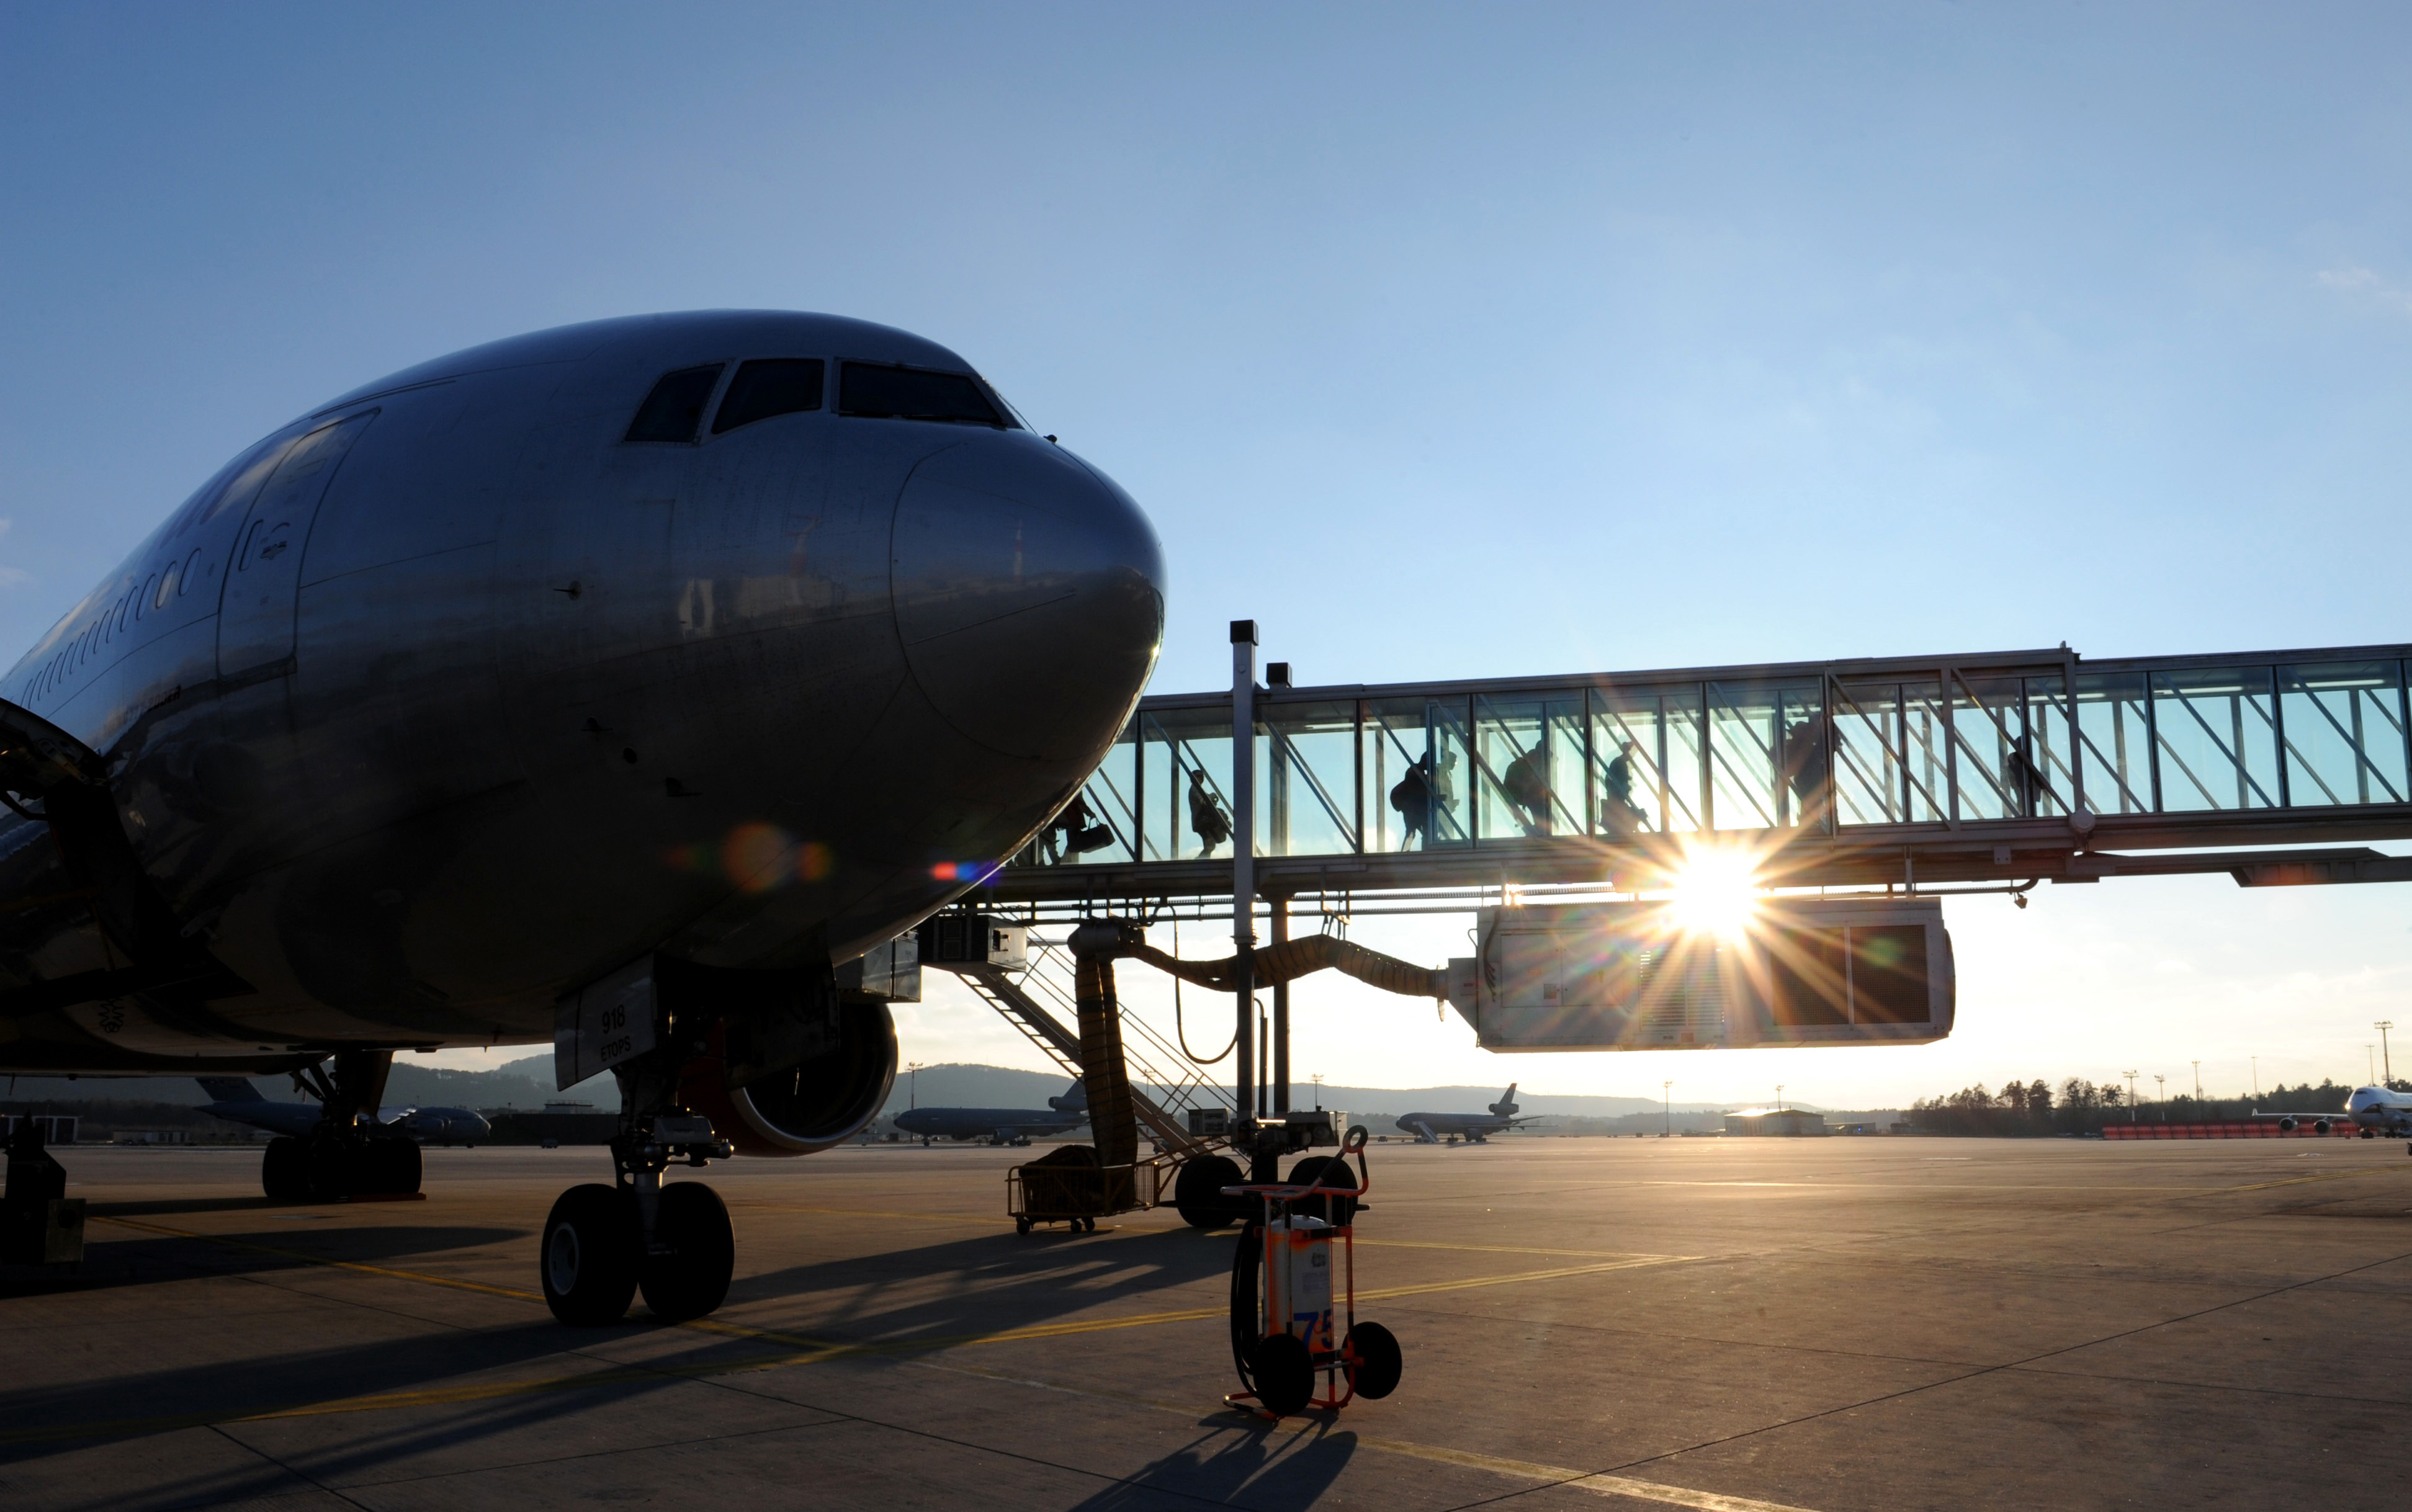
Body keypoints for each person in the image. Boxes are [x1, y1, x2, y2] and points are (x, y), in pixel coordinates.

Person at [1781, 717, 1829, 829]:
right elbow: (1789, 770)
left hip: (1815, 795)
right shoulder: (1790, 750)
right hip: (1811, 795)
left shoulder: (1815, 750)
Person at [1502, 743, 1551, 836]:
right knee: (1542, 814)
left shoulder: (1529, 761)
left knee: (1542, 815)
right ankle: (1538, 833)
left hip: (1522, 793)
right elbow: (1529, 782)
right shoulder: (1531, 762)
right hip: (1522, 793)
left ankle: (1537, 832)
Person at [1601, 739, 1648, 837]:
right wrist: (1627, 787)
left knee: (1638, 814)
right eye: (1634, 753)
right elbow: (1621, 785)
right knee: (1639, 815)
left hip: (1616, 801)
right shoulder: (1620, 763)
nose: (1634, 757)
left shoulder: (1618, 762)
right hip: (1616, 802)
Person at [1186, 767, 1232, 858]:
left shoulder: (1198, 789)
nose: (1201, 778)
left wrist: (1211, 798)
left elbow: (1205, 800)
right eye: (1198, 776)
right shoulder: (1195, 788)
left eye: (1202, 776)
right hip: (1202, 820)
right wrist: (1211, 797)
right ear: (1193, 778)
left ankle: (1201, 862)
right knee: (1209, 845)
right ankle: (1200, 864)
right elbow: (1203, 801)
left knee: (1210, 846)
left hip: (1203, 820)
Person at [1389, 755, 1432, 850]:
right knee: (1415, 833)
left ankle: (1407, 852)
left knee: (1413, 833)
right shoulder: (1415, 772)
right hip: (1413, 810)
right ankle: (1420, 853)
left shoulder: (1415, 771)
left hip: (1413, 810)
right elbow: (1417, 791)